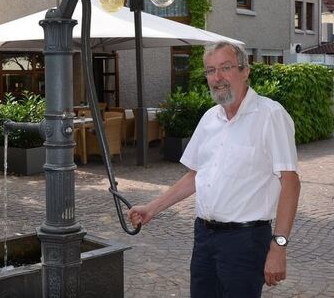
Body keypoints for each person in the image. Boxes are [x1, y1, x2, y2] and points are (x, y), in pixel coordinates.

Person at [127, 42, 301, 297]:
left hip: (245, 241)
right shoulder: (210, 118)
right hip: (205, 237)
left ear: (245, 71)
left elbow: (291, 182)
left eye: (225, 68)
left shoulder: (270, 115)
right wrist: (152, 208)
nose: (217, 77)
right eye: (210, 71)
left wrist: (279, 246)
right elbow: (196, 175)